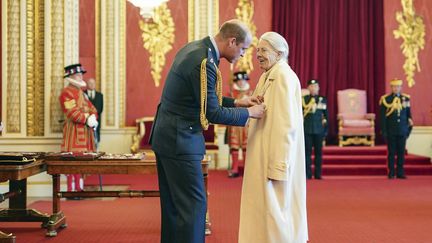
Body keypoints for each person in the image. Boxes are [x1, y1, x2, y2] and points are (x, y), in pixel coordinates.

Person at [149, 19, 266, 243]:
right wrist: (250, 113)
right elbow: (212, 113)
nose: (243, 55)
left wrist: (238, 102)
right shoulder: (204, 62)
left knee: (174, 206)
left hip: (168, 137)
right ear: (232, 41)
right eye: (243, 49)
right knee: (194, 205)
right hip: (180, 140)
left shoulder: (196, 49)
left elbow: (201, 97)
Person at [238, 32, 308, 243]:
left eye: (263, 50)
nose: (258, 55)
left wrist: (278, 165)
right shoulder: (267, 76)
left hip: (274, 159)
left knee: (277, 215)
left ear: (279, 53)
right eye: (257, 50)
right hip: (262, 156)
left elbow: (287, 125)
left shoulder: (283, 77)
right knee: (265, 214)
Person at [59, 63, 99, 193]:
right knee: (73, 161)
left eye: (81, 74)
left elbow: (92, 108)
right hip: (74, 132)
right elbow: (72, 112)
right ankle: (71, 190)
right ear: (71, 77)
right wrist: (87, 118)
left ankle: (80, 187)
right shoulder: (66, 93)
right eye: (78, 75)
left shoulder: (82, 93)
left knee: (82, 160)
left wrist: (93, 117)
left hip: (85, 133)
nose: (81, 77)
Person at [379, 78, 413, 179]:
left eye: (398, 86)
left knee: (401, 152)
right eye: (394, 86)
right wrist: (384, 131)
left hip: (402, 130)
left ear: (401, 88)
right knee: (391, 153)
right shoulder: (386, 99)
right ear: (391, 87)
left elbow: (408, 114)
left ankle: (400, 172)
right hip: (391, 130)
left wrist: (408, 129)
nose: (396, 88)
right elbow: (383, 118)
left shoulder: (405, 99)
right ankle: (391, 172)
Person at [227, 71, 253, 178]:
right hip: (234, 123)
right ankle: (235, 168)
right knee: (234, 146)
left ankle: (247, 169)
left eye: (243, 80)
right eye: (239, 80)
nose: (241, 82)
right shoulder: (231, 93)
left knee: (247, 146)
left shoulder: (251, 93)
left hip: (247, 123)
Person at [302, 79, 328, 179]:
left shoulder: (323, 99)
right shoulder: (304, 99)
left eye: (315, 86)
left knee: (318, 153)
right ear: (308, 88)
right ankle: (307, 174)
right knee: (307, 153)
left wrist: (325, 131)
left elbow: (326, 116)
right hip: (307, 129)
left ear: (318, 88)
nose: (313, 88)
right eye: (311, 86)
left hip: (319, 130)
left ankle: (318, 174)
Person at [86, 78, 104, 149]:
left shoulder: (100, 95)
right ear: (87, 84)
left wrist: (93, 117)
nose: (92, 85)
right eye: (90, 83)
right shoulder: (83, 94)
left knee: (96, 144)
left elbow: (100, 109)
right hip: (85, 122)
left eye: (93, 83)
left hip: (96, 122)